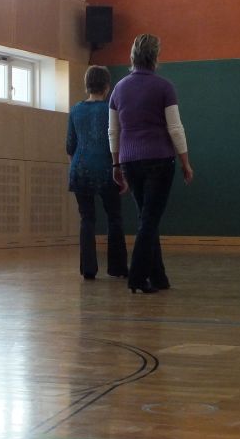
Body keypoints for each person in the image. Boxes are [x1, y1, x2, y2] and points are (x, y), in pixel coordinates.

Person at [109, 33, 194, 294]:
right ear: (155, 57)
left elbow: (113, 131)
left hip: (130, 161)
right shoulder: (164, 87)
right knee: (149, 219)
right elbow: (175, 128)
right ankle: (137, 276)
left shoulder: (119, 88)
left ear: (132, 56)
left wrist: (115, 165)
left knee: (147, 217)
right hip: (159, 160)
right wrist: (185, 161)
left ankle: (159, 277)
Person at [66, 66, 128, 280]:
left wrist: (75, 169)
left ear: (87, 85)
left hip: (80, 168)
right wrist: (121, 172)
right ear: (107, 86)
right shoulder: (112, 110)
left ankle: (88, 269)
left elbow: (70, 146)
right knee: (114, 217)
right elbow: (118, 143)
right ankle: (117, 268)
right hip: (107, 168)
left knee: (87, 218)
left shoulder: (75, 110)